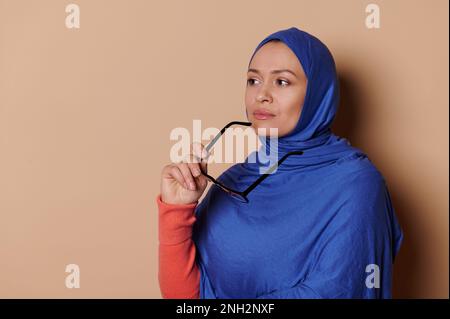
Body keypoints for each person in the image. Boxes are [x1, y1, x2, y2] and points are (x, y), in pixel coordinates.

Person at [156, 27, 403, 299]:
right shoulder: (233, 182)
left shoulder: (356, 185)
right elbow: (187, 299)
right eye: (253, 80)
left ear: (318, 95)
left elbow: (337, 291)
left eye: (282, 82)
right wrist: (177, 210)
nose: (261, 95)